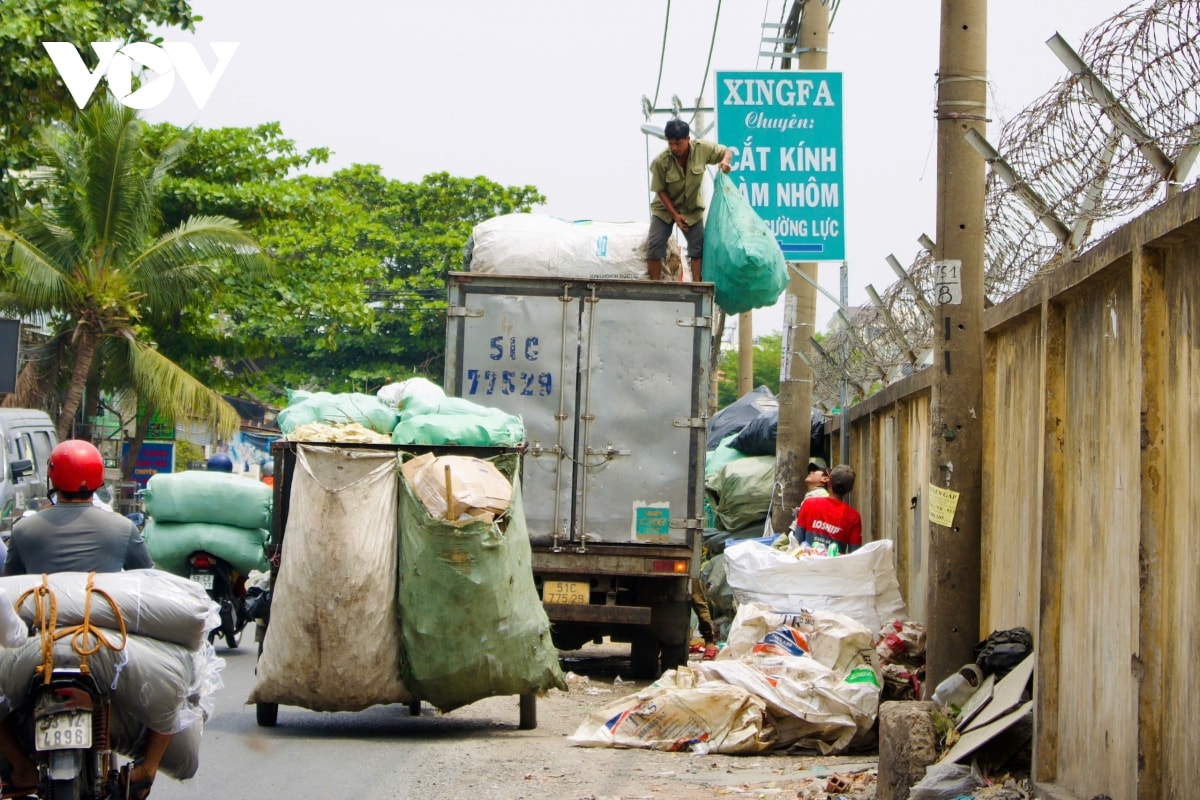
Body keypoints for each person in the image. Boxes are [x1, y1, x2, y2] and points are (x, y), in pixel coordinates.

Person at [0, 440, 167, 800]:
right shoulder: (123, 528)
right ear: (96, 480)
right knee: (177, 684)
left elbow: (9, 587)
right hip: (105, 643)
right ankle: (146, 771)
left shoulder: (24, 530)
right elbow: (148, 582)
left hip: (37, 645)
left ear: (52, 479)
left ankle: (21, 766)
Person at [647, 118, 732, 282]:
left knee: (698, 250)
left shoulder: (702, 149)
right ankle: (655, 285)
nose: (674, 147)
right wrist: (675, 216)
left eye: (678, 143)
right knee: (654, 245)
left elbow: (727, 151)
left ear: (688, 139)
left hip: (691, 210)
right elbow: (660, 189)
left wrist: (725, 163)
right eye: (670, 143)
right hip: (665, 209)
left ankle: (698, 287)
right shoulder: (661, 162)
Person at [795, 464, 863, 555]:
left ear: (829, 483)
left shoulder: (809, 504)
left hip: (808, 566)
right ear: (850, 490)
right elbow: (855, 554)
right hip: (835, 568)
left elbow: (797, 542)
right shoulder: (854, 517)